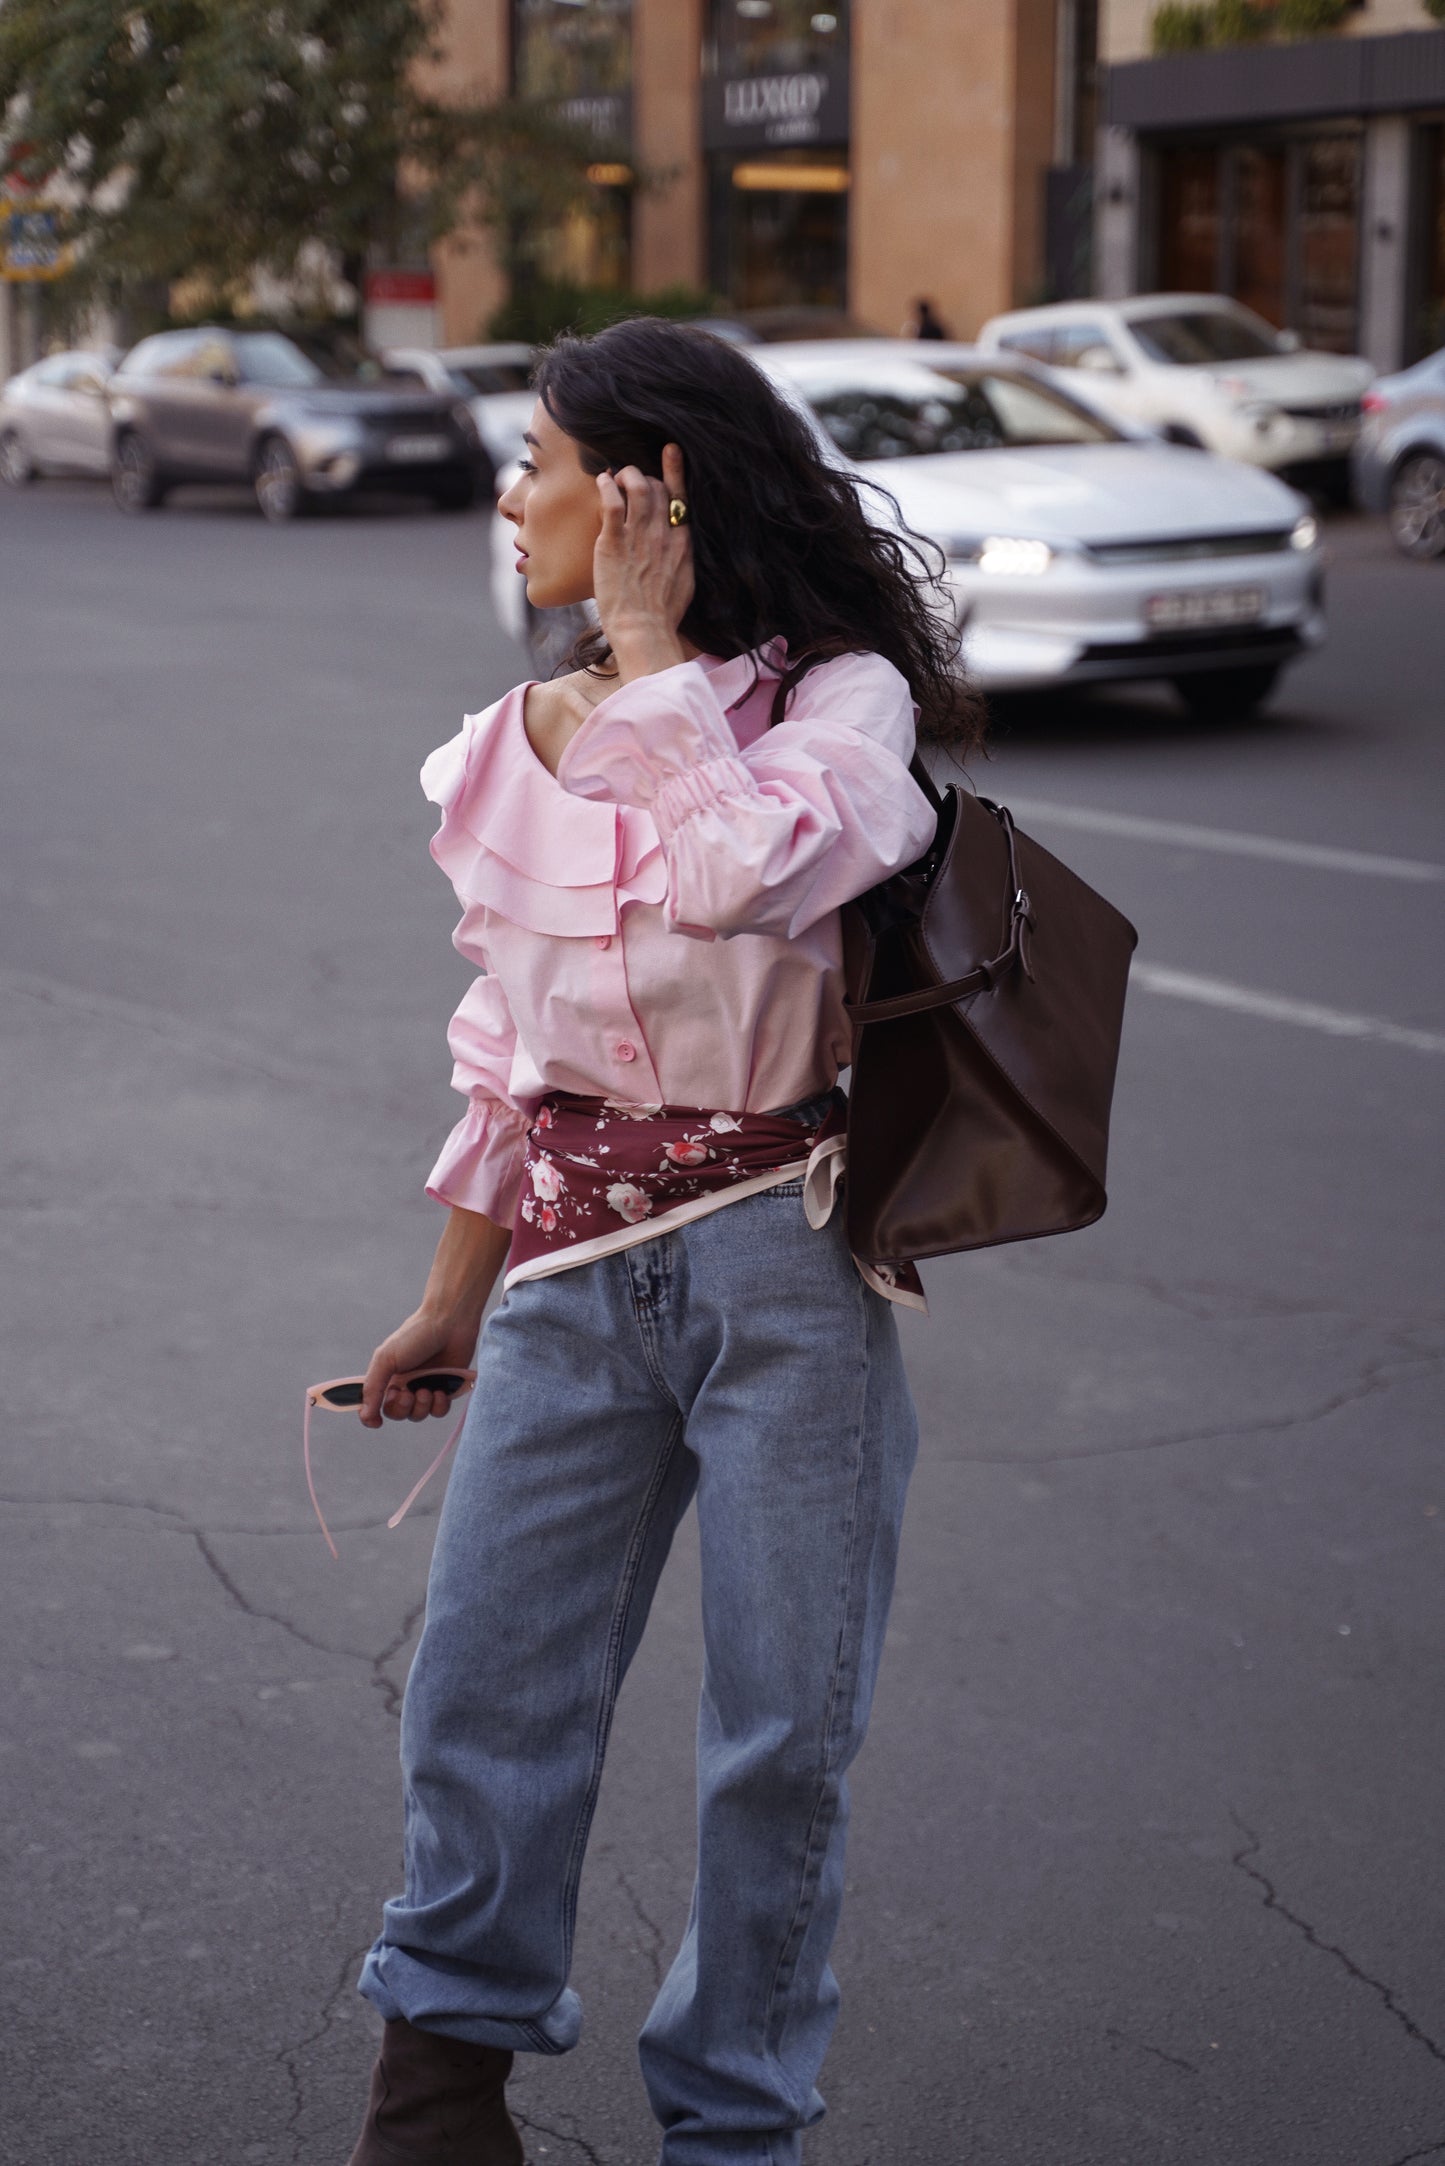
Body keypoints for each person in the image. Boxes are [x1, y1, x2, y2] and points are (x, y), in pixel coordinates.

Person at [341, 317, 982, 2166]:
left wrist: (645, 658)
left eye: (537, 456)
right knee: (484, 1693)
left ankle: (731, 2120)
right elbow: (503, 1057)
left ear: (648, 495)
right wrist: (447, 1303)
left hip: (781, 1269)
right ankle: (439, 2084)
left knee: (779, 1738)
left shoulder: (836, 708)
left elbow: (737, 872)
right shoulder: (498, 753)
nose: (507, 488)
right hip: (559, 1287)